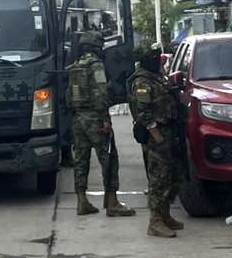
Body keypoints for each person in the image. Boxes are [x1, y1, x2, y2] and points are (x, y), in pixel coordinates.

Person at [67, 31, 135, 217]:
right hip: (95, 118)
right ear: (96, 47)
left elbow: (68, 96)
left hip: (78, 118)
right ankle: (112, 202)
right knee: (110, 159)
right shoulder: (96, 65)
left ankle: (82, 201)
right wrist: (105, 118)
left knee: (81, 161)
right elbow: (101, 92)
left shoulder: (75, 66)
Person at [128, 42, 184, 238]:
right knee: (158, 179)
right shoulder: (142, 81)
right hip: (156, 136)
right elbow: (144, 114)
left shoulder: (157, 77)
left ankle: (165, 214)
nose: (157, 61)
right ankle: (155, 221)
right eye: (154, 58)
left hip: (168, 133)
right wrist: (157, 137)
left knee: (173, 175)